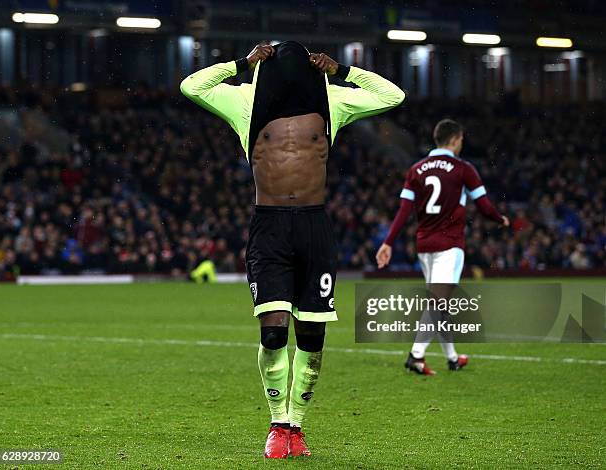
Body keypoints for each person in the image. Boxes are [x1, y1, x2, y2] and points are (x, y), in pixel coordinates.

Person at [181, 41, 404, 458]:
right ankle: (277, 424)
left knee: (313, 338)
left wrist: (343, 71)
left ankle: (297, 428)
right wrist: (241, 63)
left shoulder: (330, 98)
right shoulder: (245, 98)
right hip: (269, 228)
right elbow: (191, 86)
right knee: (273, 332)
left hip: (313, 227)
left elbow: (392, 95)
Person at [376, 119, 509, 375]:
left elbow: (404, 210)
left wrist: (388, 242)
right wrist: (500, 219)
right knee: (438, 304)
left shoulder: (417, 169)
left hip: (424, 245)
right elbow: (483, 206)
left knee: (438, 304)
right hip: (449, 244)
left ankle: (452, 357)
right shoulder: (463, 168)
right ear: (456, 140)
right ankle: (415, 356)